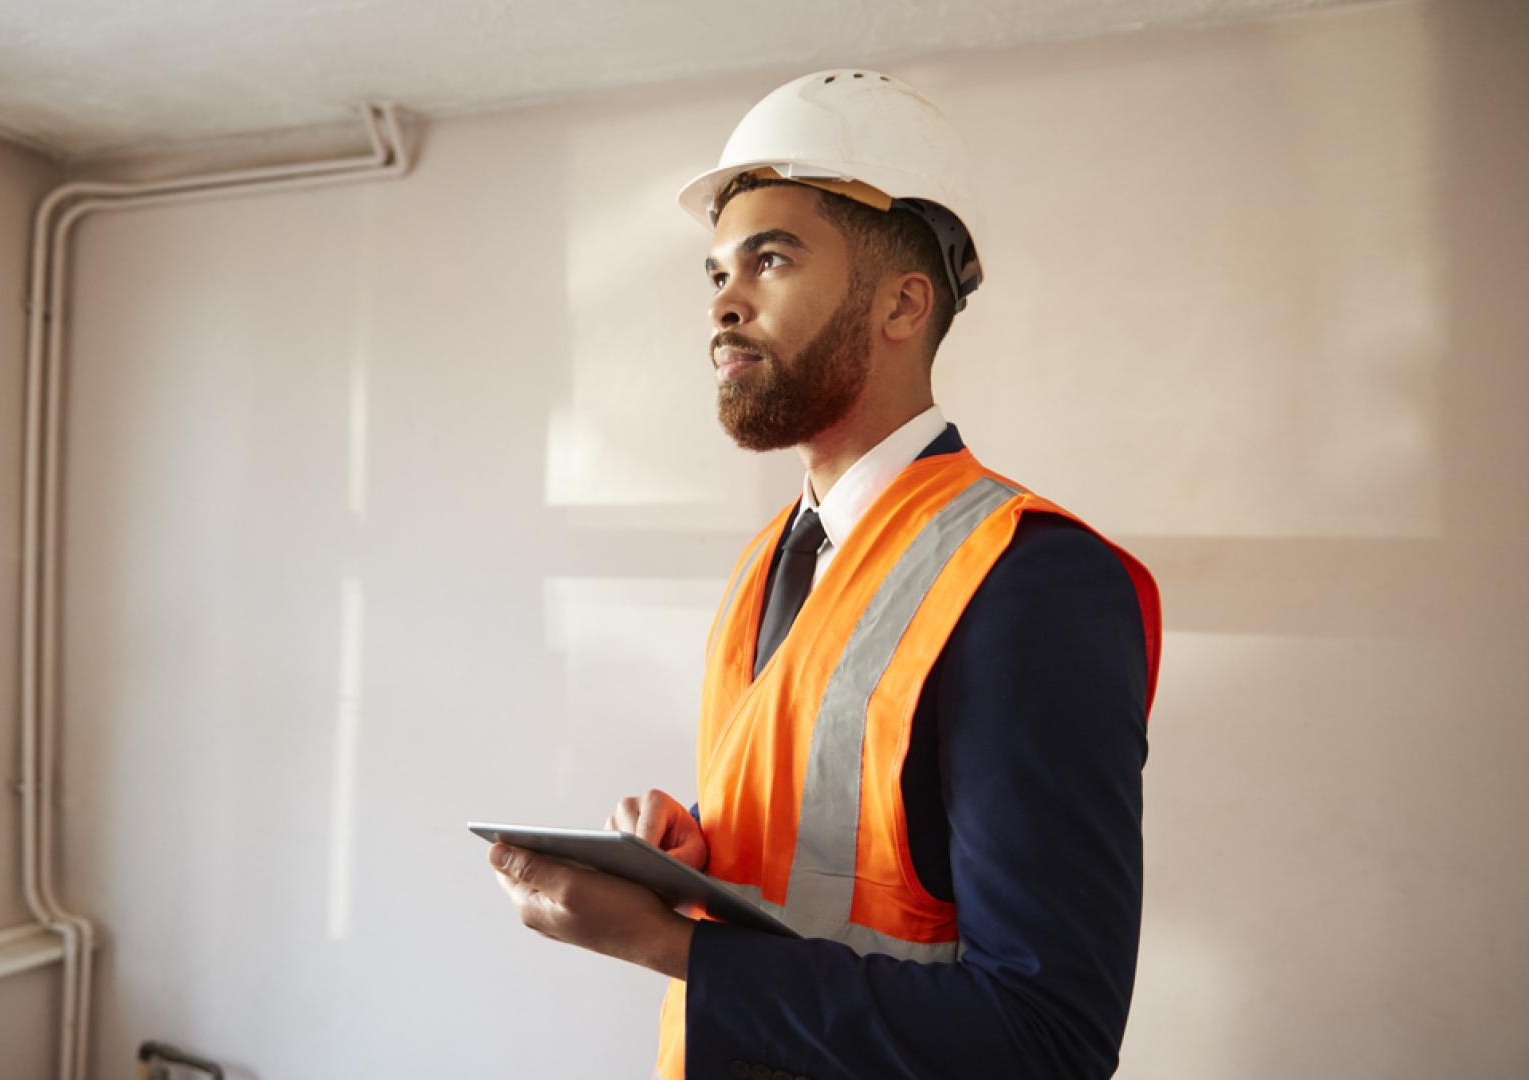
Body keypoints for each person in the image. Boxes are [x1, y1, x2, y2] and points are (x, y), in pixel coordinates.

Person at [487, 69, 1163, 1080]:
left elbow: (1045, 1039)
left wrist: (661, 942)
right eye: (715, 270)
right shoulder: (769, 562)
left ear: (901, 304)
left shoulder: (1030, 578)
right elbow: (840, 875)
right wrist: (697, 865)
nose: (723, 300)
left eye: (769, 259)